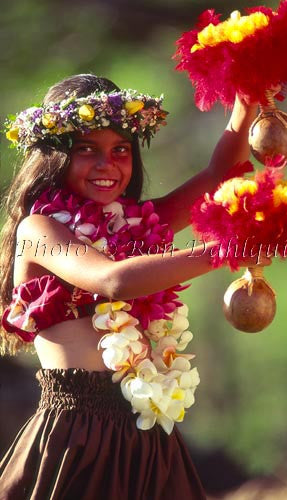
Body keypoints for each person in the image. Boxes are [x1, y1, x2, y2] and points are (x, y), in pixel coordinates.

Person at [0, 73, 270, 500]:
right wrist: (223, 251)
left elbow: (223, 173)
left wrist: (247, 99)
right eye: (87, 150)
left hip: (147, 432)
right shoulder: (39, 230)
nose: (107, 164)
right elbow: (113, 280)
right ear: (55, 156)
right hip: (76, 434)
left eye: (120, 150)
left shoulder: (139, 226)